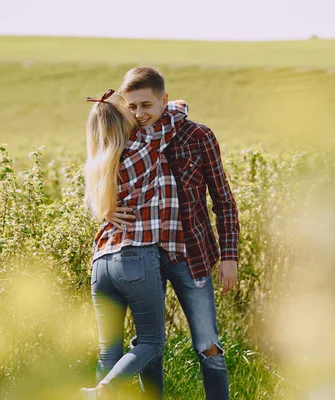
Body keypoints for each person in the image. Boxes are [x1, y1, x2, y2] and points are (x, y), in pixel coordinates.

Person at [107, 67, 240, 400]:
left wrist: (230, 257)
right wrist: (105, 209)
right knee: (149, 345)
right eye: (132, 106)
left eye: (146, 105)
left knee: (209, 346)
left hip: (190, 256)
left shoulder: (198, 137)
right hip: (142, 256)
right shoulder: (125, 138)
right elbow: (98, 179)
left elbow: (223, 200)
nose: (139, 114)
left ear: (164, 100)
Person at [80, 88, 195, 399]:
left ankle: (99, 392)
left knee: (108, 351)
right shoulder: (141, 147)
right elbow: (179, 108)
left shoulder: (96, 165)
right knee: (151, 342)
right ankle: (104, 390)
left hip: (101, 262)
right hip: (135, 257)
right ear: (125, 121)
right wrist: (145, 109)